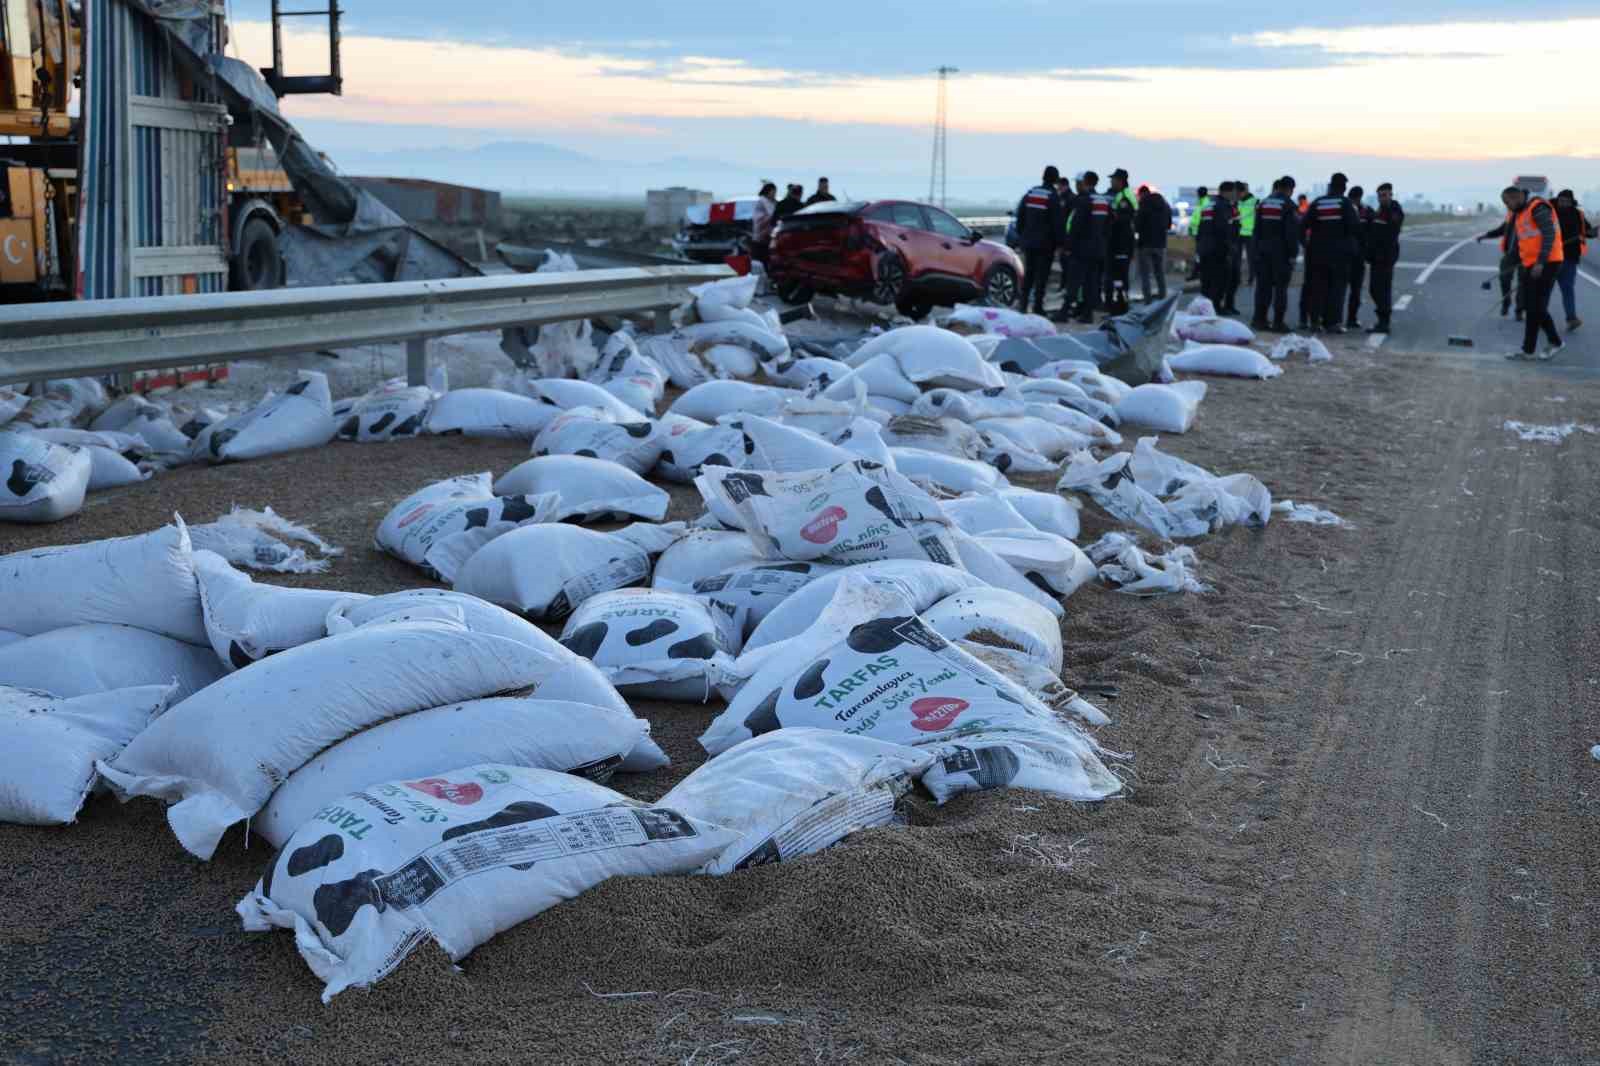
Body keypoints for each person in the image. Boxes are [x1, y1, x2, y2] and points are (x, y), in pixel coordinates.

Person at [1500, 185, 1564, 360]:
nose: (1507, 206)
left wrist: (1540, 262)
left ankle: (1546, 345)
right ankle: (1535, 348)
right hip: (1532, 264)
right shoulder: (1521, 214)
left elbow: (1549, 234)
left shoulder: (1537, 207)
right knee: (1531, 307)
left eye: (1508, 202)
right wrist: (1515, 262)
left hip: (1547, 263)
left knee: (1537, 307)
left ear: (1517, 197)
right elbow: (1526, 242)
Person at [1301, 172, 1361, 333]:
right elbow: (1355, 227)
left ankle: (1315, 321)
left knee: (1317, 288)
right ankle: (1332, 323)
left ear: (1330, 185)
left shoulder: (1318, 203)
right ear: (1343, 187)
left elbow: (1303, 225)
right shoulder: (1345, 203)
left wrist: (1306, 245)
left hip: (1317, 254)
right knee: (1337, 288)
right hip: (1339, 255)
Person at [1059, 170, 1108, 323]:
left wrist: (1067, 246)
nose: (1076, 186)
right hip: (1098, 249)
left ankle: (1065, 312)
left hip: (1081, 249)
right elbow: (1109, 226)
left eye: (1078, 183)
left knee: (1074, 281)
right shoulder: (1103, 201)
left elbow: (1075, 226)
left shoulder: (1083, 201)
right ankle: (1087, 314)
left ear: (1083, 183)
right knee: (1091, 283)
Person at [1014, 166, 1064, 314]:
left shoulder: (1031, 193)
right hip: (1045, 245)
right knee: (1041, 277)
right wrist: (1060, 243)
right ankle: (1037, 307)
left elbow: (1020, 216)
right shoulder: (1052, 196)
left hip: (1029, 243)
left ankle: (1023, 305)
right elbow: (1057, 223)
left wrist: (1022, 236)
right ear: (1055, 180)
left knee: (1029, 274)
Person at [1250, 177, 1299, 332]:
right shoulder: (1288, 205)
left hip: (1262, 251)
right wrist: (1293, 254)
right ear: (1290, 189)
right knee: (1280, 288)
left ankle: (1260, 319)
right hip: (1281, 253)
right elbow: (1291, 233)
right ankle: (1278, 322)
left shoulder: (1264, 203)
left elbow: (1256, 230)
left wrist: (1256, 250)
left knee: (1263, 287)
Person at [1553, 189, 1596, 330]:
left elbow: (1587, 232)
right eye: (1561, 200)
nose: (1563, 203)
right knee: (1544, 290)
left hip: (1570, 259)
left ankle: (1571, 318)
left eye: (1566, 201)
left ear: (1572, 202)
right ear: (1557, 199)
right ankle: (1538, 315)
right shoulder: (1549, 212)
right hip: (1551, 259)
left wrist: (1592, 232)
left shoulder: (1578, 215)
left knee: (1568, 289)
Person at [1365, 183, 1405, 333]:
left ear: (1390, 195)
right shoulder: (1379, 210)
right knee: (1374, 289)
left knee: (1382, 289)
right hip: (1376, 257)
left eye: (1385, 195)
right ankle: (1382, 320)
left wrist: (1383, 211)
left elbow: (1394, 225)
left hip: (1386, 257)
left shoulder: (1395, 210)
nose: (1382, 198)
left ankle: (1384, 322)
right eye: (1380, 196)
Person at [1103, 168, 1138, 314]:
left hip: (1121, 243)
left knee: (1119, 275)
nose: (1111, 182)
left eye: (1114, 179)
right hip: (1116, 242)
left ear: (1121, 181)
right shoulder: (1118, 195)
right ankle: (1113, 303)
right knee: (1113, 275)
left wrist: (1110, 219)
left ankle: (1120, 304)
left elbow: (1122, 221)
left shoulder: (1125, 198)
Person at [1477, 209, 1524, 319]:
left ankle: (1519, 309)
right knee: (1504, 278)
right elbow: (1502, 230)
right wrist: (1486, 235)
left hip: (1527, 255)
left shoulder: (1531, 215)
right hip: (1510, 254)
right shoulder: (1512, 214)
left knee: (1523, 283)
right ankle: (1506, 302)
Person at [1198, 181, 1237, 309]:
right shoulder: (1223, 206)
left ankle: (1204, 308)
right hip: (1218, 249)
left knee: (1206, 281)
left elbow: (1201, 228)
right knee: (1219, 280)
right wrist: (1229, 248)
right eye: (1233, 192)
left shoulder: (1209, 205)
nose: (1234, 195)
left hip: (1204, 248)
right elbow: (1223, 229)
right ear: (1227, 192)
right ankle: (1215, 307)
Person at [1135, 185, 1172, 301]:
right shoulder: (1165, 205)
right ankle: (1162, 296)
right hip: (1160, 243)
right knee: (1159, 272)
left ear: (1142, 194)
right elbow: (1169, 224)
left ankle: (1147, 298)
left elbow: (1137, 224)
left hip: (1145, 243)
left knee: (1145, 273)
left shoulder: (1143, 204)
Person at [1344, 185, 1373, 329]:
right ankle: (1351, 319)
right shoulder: (1366, 211)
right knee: (1354, 290)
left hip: (1345, 256)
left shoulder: (1343, 209)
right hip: (1357, 256)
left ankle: (1335, 320)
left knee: (1340, 289)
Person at [1234, 179, 1257, 291]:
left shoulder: (1255, 201)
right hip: (1238, 233)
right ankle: (1237, 279)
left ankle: (1251, 278)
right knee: (1236, 258)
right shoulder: (1237, 202)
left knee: (1251, 258)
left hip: (1250, 233)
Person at [750, 182, 778, 267]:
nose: (774, 194)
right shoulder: (764, 201)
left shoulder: (769, 201)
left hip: (763, 236)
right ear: (768, 191)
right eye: (773, 191)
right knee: (762, 261)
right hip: (761, 236)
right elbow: (771, 213)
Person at [1187, 185, 1209, 282]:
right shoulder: (1200, 203)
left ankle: (1197, 273)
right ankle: (1197, 273)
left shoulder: (1205, 203)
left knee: (1200, 255)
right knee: (1198, 254)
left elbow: (1202, 219)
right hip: (1197, 232)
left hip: (1202, 233)